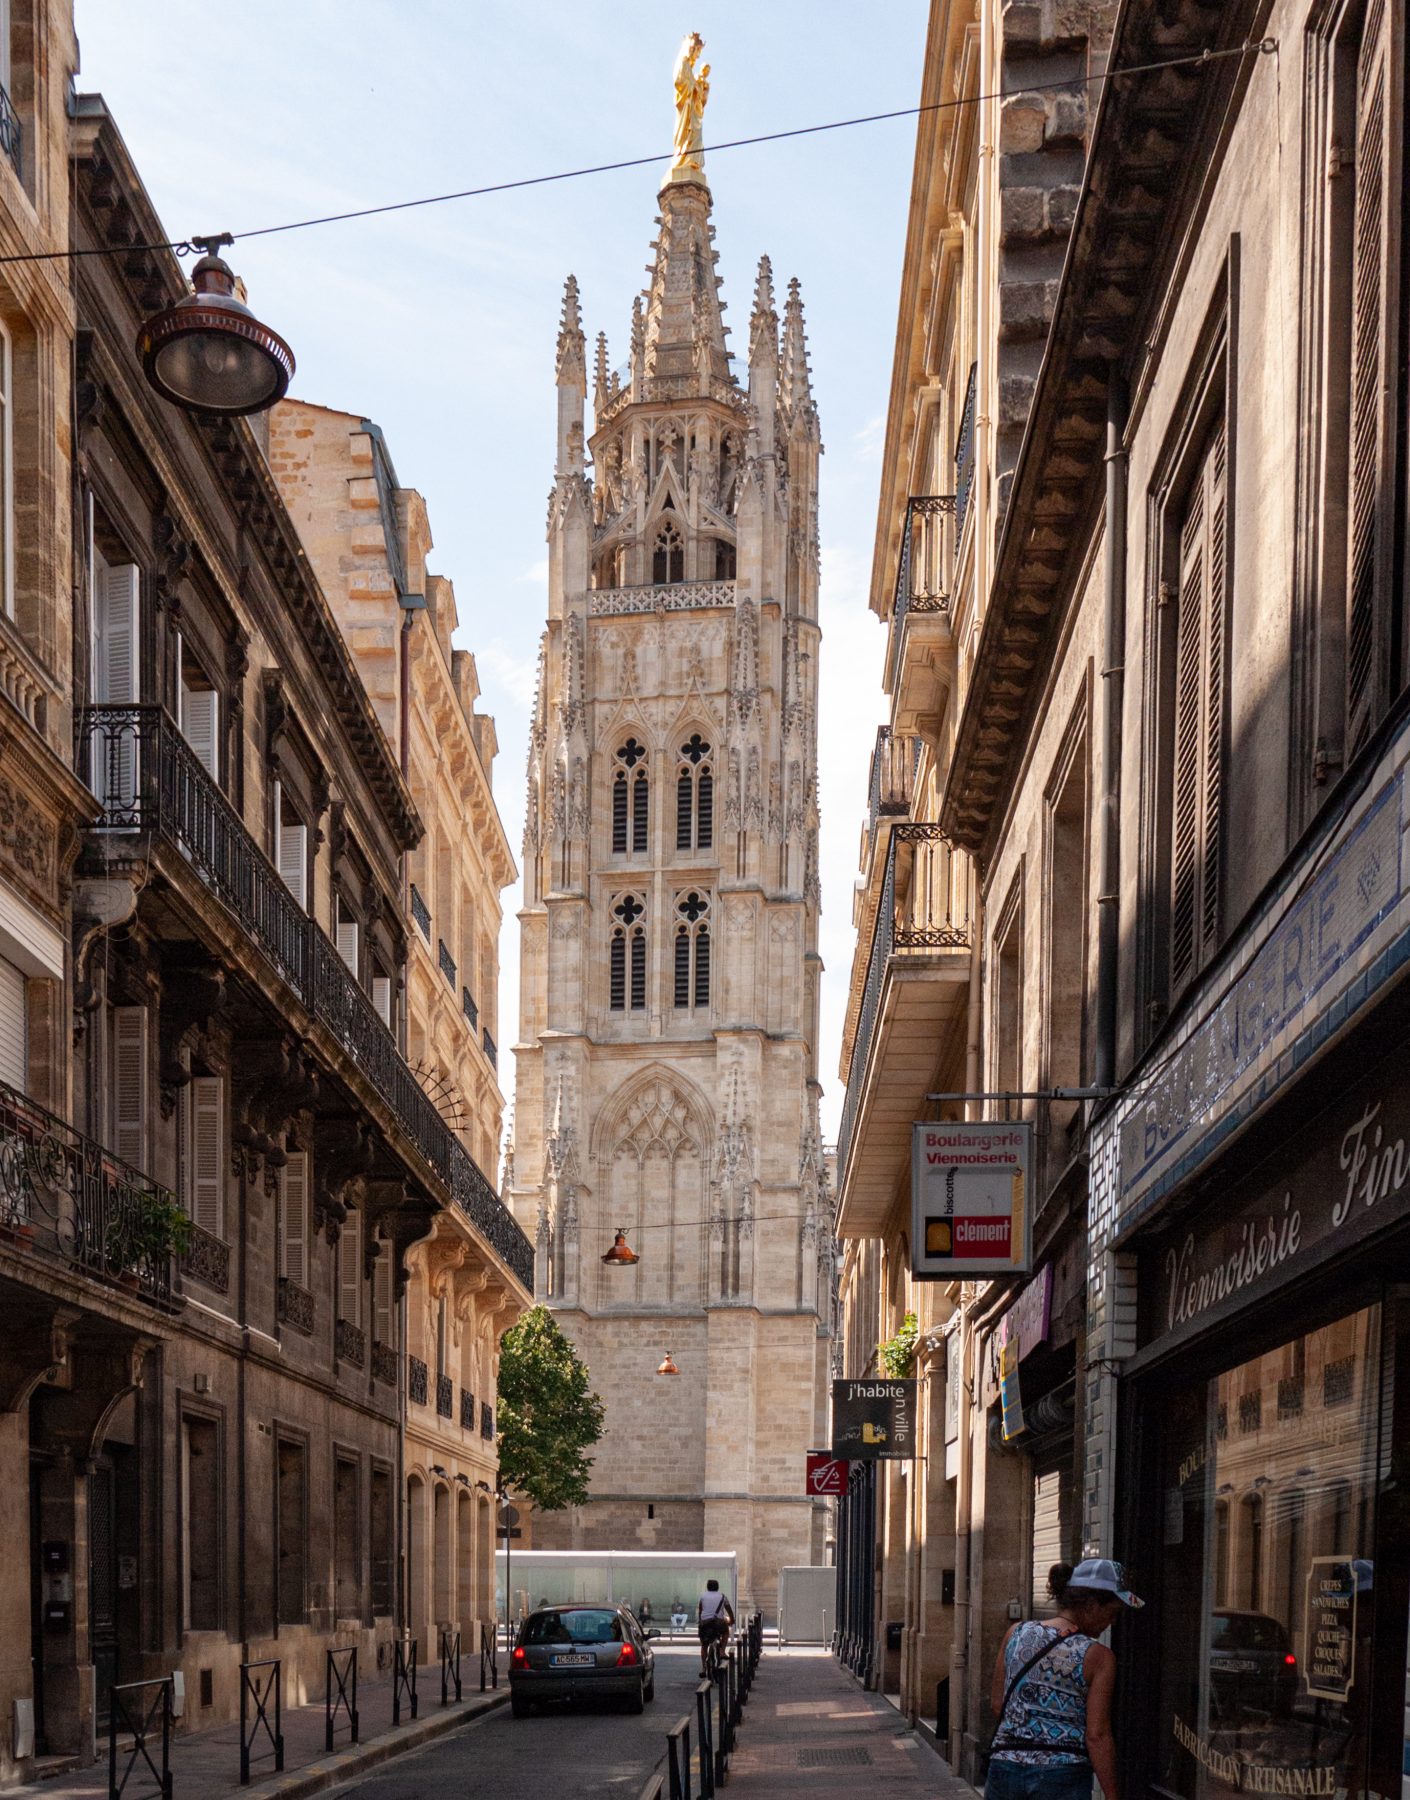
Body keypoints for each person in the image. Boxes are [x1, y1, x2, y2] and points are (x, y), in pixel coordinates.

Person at [986, 1558, 1142, 1800]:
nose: (1112, 1622)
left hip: (1005, 1768)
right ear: (1091, 1605)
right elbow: (1097, 1735)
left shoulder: (1015, 1633)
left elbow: (998, 1704)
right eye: (1112, 1613)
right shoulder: (1098, 1657)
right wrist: (1112, 1794)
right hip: (1061, 1775)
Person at [698, 1577, 734, 1673]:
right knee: (726, 1632)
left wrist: (700, 1621)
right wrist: (732, 1620)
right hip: (718, 1622)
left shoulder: (703, 1596)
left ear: (708, 1587)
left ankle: (704, 1668)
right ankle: (722, 1651)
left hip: (705, 1623)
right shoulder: (722, 1596)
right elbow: (729, 1610)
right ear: (717, 1587)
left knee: (704, 1645)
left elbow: (700, 1610)